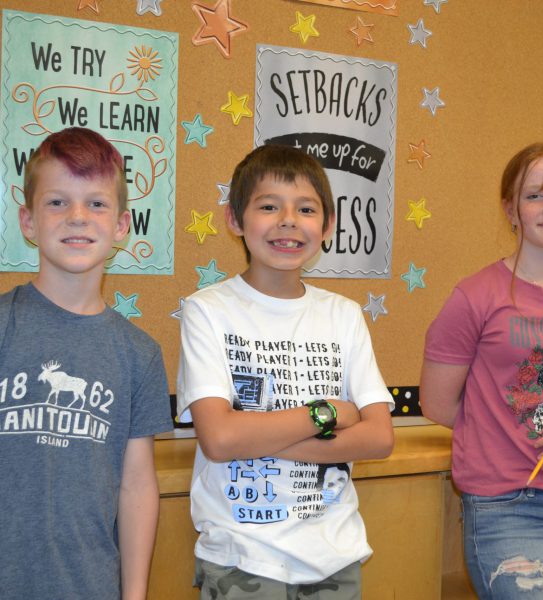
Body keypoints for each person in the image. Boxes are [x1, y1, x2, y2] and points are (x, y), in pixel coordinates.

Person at [177, 144, 394, 599]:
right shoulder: (208, 311)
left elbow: (379, 438)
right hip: (240, 556)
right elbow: (219, 440)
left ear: (327, 226)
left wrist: (260, 437)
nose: (288, 220)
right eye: (269, 206)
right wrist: (329, 412)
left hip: (334, 557)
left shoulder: (345, 315)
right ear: (235, 220)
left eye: (306, 208)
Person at [420, 142, 543, 599]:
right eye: (535, 195)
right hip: (510, 507)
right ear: (510, 210)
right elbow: (439, 405)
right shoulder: (474, 297)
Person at [0, 127, 173, 599]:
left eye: (96, 204)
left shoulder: (139, 353)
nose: (77, 217)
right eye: (57, 202)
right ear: (28, 221)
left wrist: (134, 594)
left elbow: (137, 486)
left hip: (88, 585)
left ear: (121, 227)